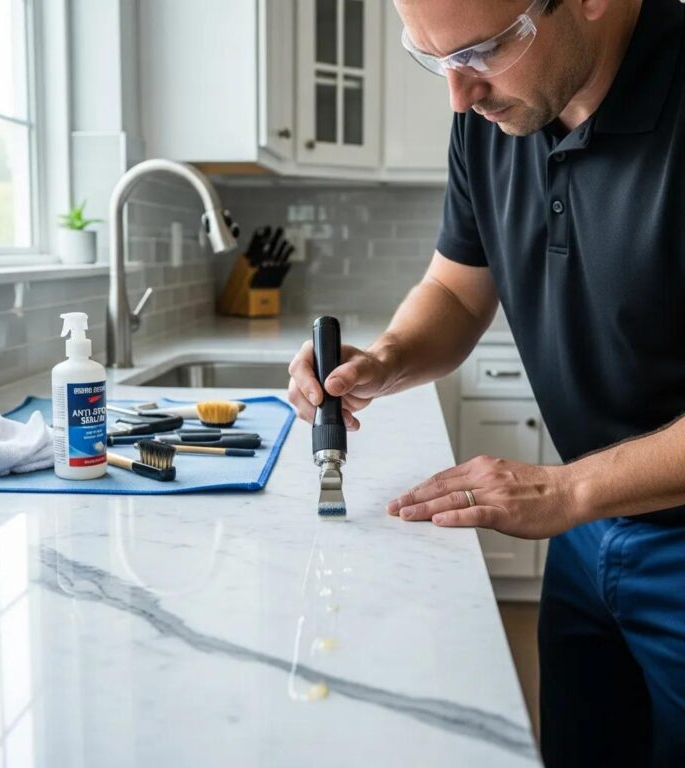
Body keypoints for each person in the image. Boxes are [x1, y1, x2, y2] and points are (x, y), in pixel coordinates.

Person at [287, 0, 685, 765]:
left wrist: (568, 491)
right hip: (582, 526)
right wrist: (388, 357)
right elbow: (457, 290)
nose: (458, 96)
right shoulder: (492, 116)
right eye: (434, 61)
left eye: (483, 51)